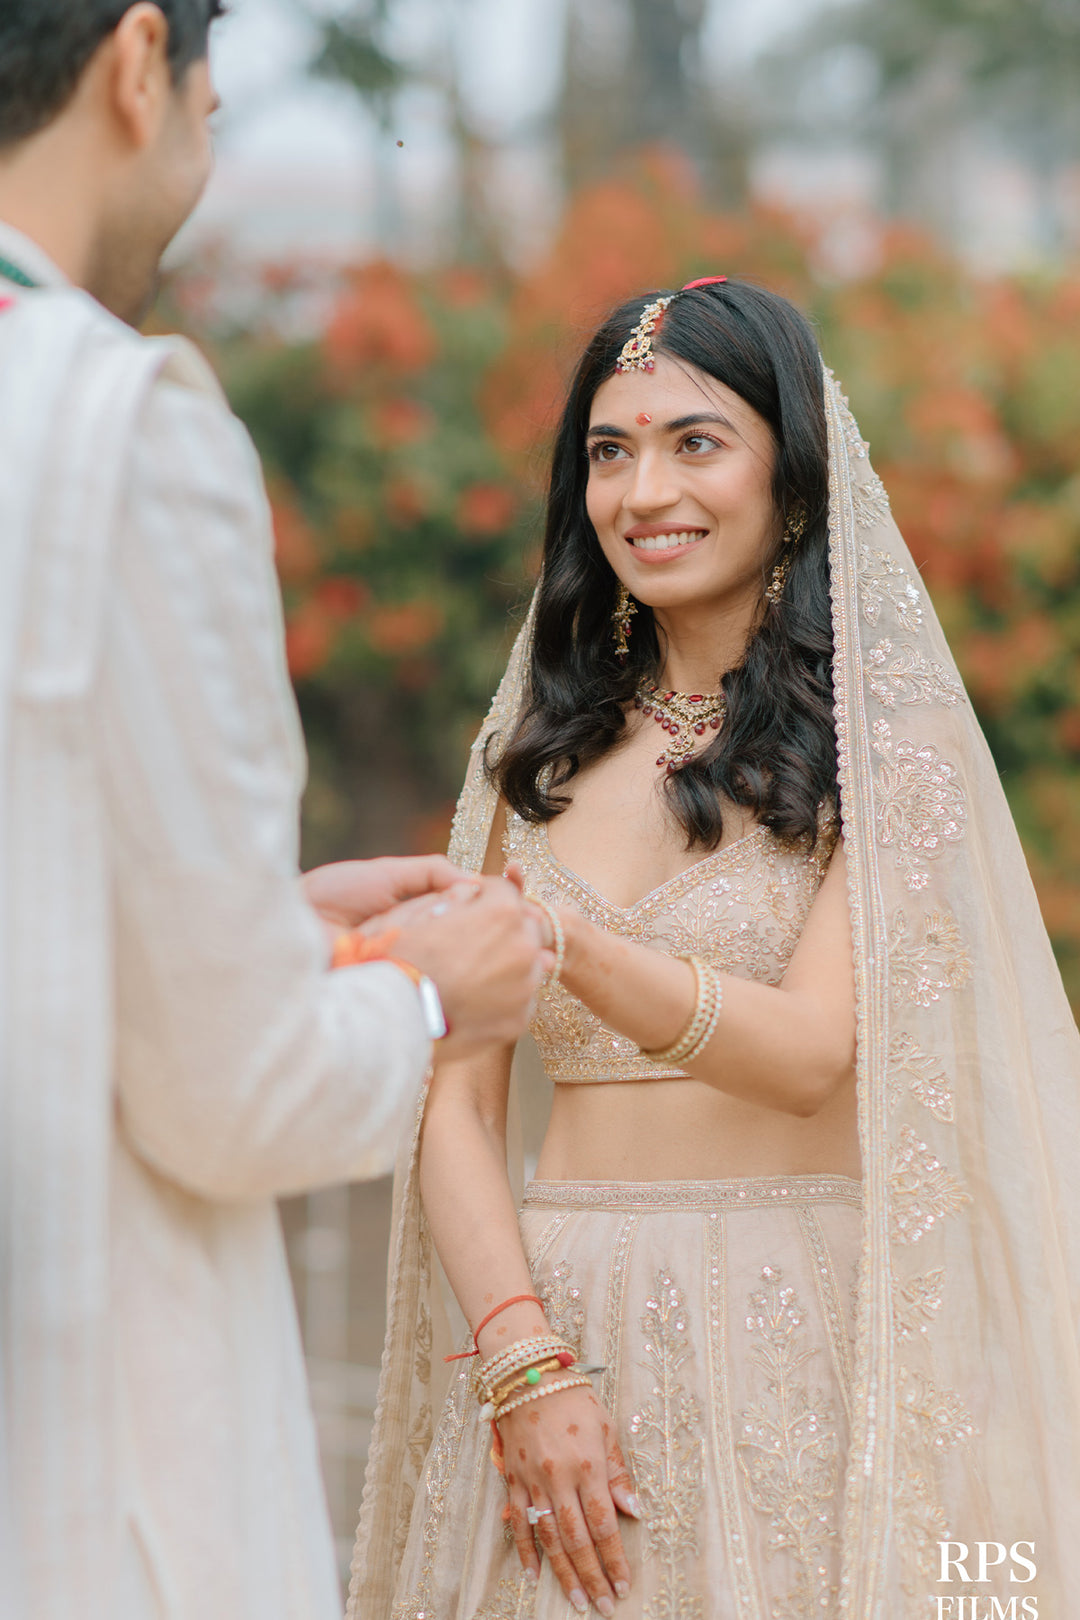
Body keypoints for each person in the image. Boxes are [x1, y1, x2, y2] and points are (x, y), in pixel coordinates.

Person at [349, 278, 1080, 1620]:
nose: (644, 492)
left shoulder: (879, 756)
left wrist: (559, 942)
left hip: (791, 1334)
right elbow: (451, 1098)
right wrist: (522, 1359)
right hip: (551, 1339)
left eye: (696, 442)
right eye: (609, 452)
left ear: (789, 477)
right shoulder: (543, 758)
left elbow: (809, 1058)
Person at [0, 5, 546, 1619]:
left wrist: (256, 927)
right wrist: (436, 994)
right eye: (213, 112)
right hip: (74, 1451)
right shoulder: (113, 430)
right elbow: (235, 1097)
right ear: (134, 59)